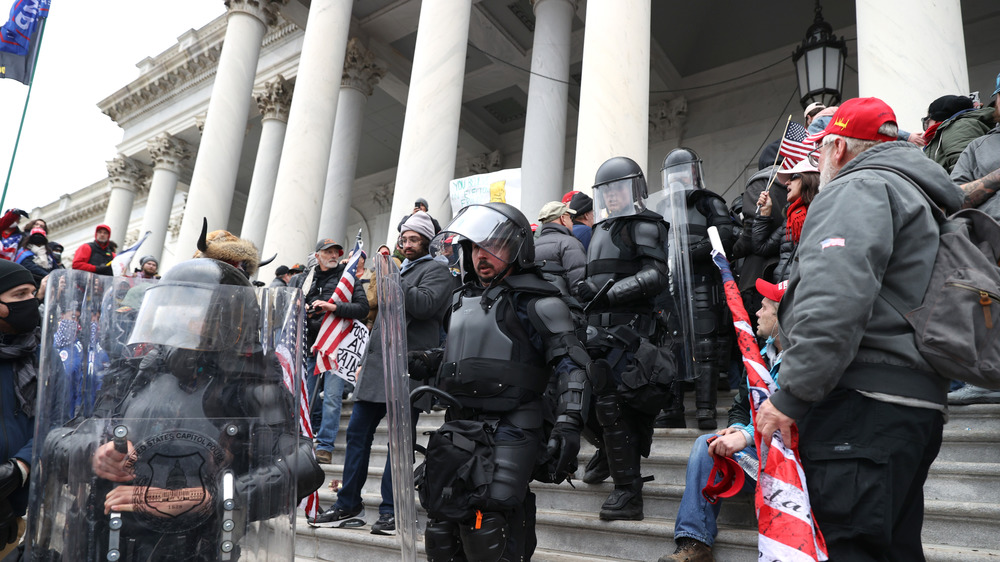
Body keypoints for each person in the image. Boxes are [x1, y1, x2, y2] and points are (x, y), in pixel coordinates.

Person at [756, 97, 964, 560]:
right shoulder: (917, 193)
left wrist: (791, 395)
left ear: (841, 150)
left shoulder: (859, 187)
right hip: (913, 403)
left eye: (823, 149)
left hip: (861, 406)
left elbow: (835, 299)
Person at [27, 259, 324, 561]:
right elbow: (59, 440)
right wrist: (94, 453)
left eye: (194, 307)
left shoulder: (253, 386)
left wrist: (207, 498)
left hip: (195, 547)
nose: (181, 319)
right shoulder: (137, 373)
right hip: (105, 540)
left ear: (229, 319)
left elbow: (303, 465)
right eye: (173, 306)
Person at [413, 202, 589, 561]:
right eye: (476, 247)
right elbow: (459, 353)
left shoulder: (539, 300)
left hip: (513, 424)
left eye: (494, 245)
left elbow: (573, 364)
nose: (482, 255)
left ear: (519, 249)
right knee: (442, 524)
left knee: (490, 523)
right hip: (460, 425)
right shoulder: (463, 299)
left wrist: (569, 423)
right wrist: (426, 360)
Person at [310, 211, 452, 534]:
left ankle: (392, 509)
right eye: (404, 238)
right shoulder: (394, 270)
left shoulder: (438, 273)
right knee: (358, 435)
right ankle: (348, 502)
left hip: (408, 369)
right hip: (376, 367)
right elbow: (371, 304)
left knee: (398, 445)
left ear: (427, 242)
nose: (407, 244)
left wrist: (394, 276)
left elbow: (425, 306)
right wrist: (382, 276)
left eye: (414, 239)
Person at [659, 278, 786, 562]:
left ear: (783, 317)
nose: (757, 313)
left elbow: (799, 413)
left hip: (791, 459)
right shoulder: (758, 357)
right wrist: (737, 429)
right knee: (708, 442)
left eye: (764, 307)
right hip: (759, 455)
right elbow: (741, 408)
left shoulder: (807, 359)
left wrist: (748, 435)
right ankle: (695, 543)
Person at [576, 156, 674, 520]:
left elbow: (655, 277)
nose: (612, 196)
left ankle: (628, 491)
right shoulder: (600, 231)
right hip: (597, 332)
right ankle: (606, 450)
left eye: (618, 189)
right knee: (580, 401)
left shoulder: (646, 225)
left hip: (632, 333)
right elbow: (600, 274)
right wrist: (585, 288)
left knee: (615, 407)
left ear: (633, 189)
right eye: (607, 191)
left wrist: (610, 293)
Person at [659, 148, 735, 431]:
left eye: (682, 171)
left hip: (703, 282)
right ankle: (673, 408)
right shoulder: (663, 208)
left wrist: (686, 253)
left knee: (706, 348)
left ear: (693, 171)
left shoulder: (708, 202)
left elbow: (724, 237)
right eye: (673, 174)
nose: (677, 178)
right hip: (672, 285)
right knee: (672, 347)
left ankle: (706, 410)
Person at [289, 238, 369, 464]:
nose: (334, 255)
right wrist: (301, 307)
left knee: (332, 398)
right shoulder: (304, 279)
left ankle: (324, 446)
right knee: (307, 398)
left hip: (337, 346)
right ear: (317, 256)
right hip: (311, 345)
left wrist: (333, 307)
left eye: (337, 252)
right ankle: (306, 439)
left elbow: (362, 309)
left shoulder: (348, 278)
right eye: (329, 252)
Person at [0, 261, 40, 557]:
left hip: (25, 505)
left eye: (33, 292)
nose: (31, 301)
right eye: (19, 294)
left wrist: (21, 466)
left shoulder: (44, 351)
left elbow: (60, 415)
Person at [752, 159, 821, 282]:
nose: (787, 182)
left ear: (809, 179)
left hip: (810, 290)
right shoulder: (790, 220)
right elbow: (761, 247)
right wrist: (764, 213)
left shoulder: (824, 212)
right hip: (785, 292)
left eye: (793, 177)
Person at [922, 94, 993, 173]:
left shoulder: (958, 127)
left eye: (927, 121)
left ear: (937, 119)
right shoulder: (951, 131)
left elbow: (965, 171)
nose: (927, 127)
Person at [534, 201, 587, 297]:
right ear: (563, 218)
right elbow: (577, 286)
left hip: (540, 305)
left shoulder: (534, 245)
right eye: (570, 218)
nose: (572, 222)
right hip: (565, 306)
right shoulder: (570, 243)